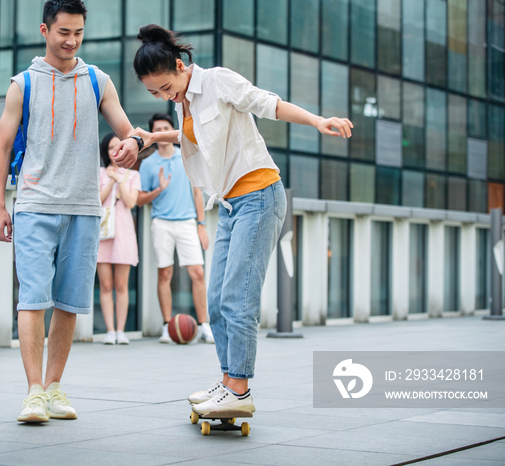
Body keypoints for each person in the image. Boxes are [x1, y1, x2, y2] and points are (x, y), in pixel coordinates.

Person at [119, 24, 353, 416]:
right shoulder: (183, 100)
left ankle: (240, 392)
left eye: (165, 87)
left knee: (237, 299)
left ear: (180, 65)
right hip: (229, 204)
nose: (163, 96)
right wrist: (152, 136)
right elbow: (192, 137)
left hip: (259, 197)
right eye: (154, 93)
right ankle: (228, 380)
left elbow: (268, 103)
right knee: (215, 299)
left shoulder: (217, 81)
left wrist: (315, 121)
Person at [0, 0, 142, 424]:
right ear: (45, 30)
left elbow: (126, 131)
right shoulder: (23, 84)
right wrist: (0, 205)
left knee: (70, 304)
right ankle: (33, 392)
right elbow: (2, 147)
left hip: (85, 208)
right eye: (63, 32)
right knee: (33, 299)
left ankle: (54, 387)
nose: (71, 40)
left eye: (78, 32)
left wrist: (136, 144)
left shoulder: (98, 80)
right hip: (35, 205)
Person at [137, 113, 213, 344]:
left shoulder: (186, 156)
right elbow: (140, 200)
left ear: (172, 130)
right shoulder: (148, 164)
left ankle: (204, 326)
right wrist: (158, 190)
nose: (160, 133)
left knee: (197, 273)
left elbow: (197, 191)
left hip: (188, 222)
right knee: (165, 273)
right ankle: (167, 325)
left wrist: (201, 225)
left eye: (165, 128)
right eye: (156, 129)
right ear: (152, 134)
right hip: (162, 223)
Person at [97, 133, 141, 345]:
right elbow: (97, 200)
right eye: (110, 148)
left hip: (123, 234)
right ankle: (110, 330)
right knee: (105, 285)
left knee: (121, 285)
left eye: (119, 147)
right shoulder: (98, 173)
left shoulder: (132, 175)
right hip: (103, 235)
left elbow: (131, 202)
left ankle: (121, 330)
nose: (115, 152)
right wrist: (110, 181)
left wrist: (119, 180)